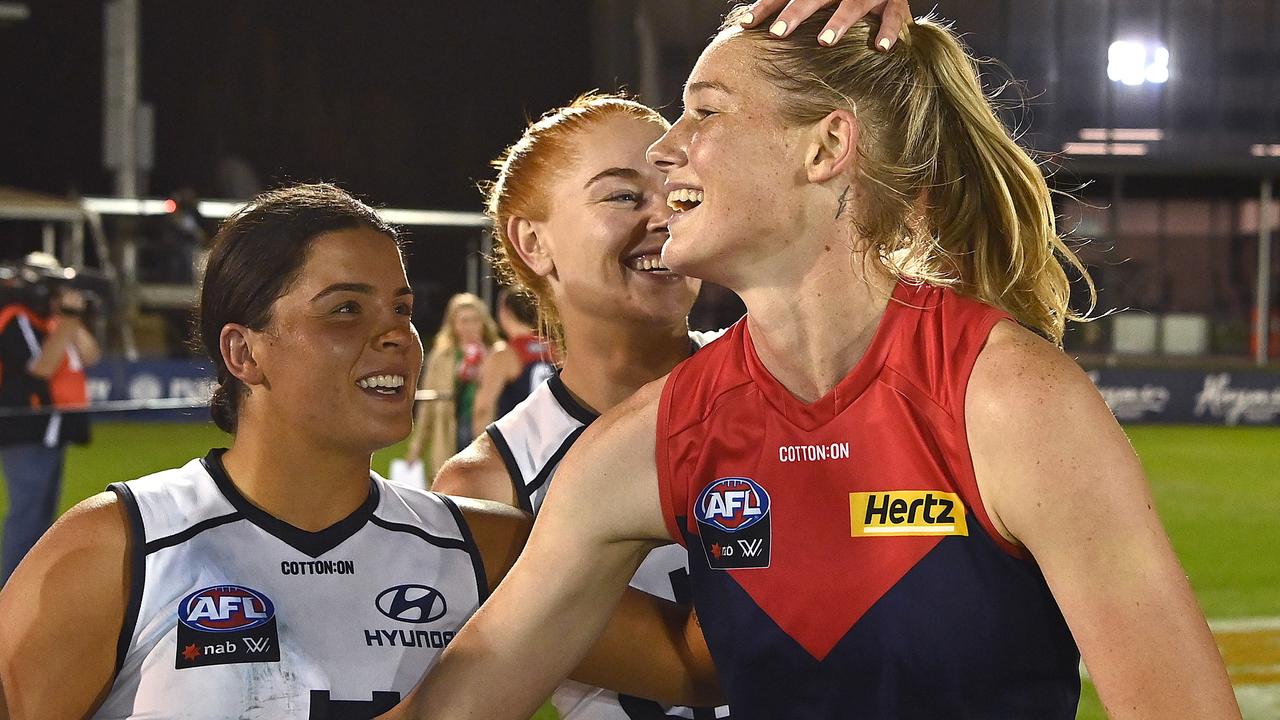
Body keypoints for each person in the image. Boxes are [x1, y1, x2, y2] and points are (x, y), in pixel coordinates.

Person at [401, 7, 1240, 720]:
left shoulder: (1008, 399)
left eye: (707, 112)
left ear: (826, 146)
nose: (668, 148)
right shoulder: (655, 436)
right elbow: (457, 701)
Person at [0, 184, 718, 719]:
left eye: (401, 311)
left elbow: (697, 666)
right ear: (243, 352)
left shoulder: (486, 549)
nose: (395, 337)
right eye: (345, 309)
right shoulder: (120, 548)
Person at [431, 93, 726, 719]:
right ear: (534, 242)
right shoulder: (487, 487)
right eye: (624, 196)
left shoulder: (790, 372)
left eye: (678, 190)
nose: (665, 216)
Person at [0, 252, 100, 584]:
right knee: (27, 517)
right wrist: (68, 319)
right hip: (25, 430)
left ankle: (29, 591)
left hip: (50, 429)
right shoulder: (15, 319)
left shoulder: (53, 323)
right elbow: (41, 367)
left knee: (43, 518)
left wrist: (70, 319)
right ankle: (10, 591)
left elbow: (90, 355)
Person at [405, 292, 501, 479]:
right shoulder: (443, 357)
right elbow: (428, 405)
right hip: (449, 431)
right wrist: (417, 448)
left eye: (475, 320)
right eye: (464, 321)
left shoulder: (497, 354)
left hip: (485, 431)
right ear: (453, 324)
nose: (470, 327)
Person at [467, 290, 556, 439]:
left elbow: (483, 408)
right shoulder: (557, 350)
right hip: (555, 443)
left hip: (517, 444)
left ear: (505, 312)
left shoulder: (505, 354)